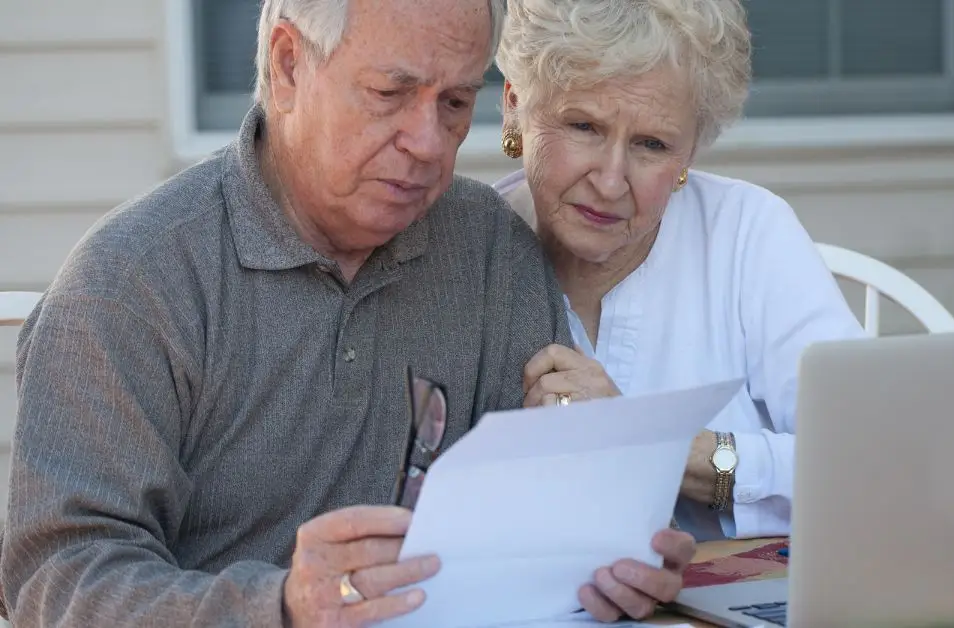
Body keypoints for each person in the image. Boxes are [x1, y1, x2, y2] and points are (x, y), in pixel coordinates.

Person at [0, 0, 694, 625]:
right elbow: (55, 579)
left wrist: (607, 554)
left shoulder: (489, 252)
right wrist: (279, 609)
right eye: (390, 93)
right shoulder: (131, 284)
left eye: (454, 103)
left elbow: (534, 526)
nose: (427, 141)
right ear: (288, 65)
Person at [496, 0, 866, 550]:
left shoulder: (746, 232)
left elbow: (867, 456)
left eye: (652, 144)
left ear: (690, 151)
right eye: (584, 126)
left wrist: (656, 446)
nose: (611, 180)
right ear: (516, 108)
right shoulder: (468, 257)